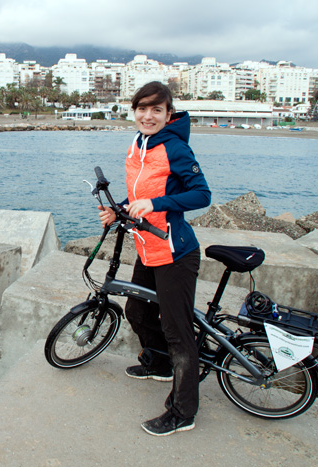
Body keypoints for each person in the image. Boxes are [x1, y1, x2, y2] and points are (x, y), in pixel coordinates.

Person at [98, 81, 211, 436]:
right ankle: (159, 363)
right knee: (137, 311)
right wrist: (118, 212)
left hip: (175, 252)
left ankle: (183, 412)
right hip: (147, 245)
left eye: (156, 110)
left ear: (168, 114)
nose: (148, 116)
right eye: (142, 108)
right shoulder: (137, 143)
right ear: (134, 111)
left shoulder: (175, 148)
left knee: (179, 333)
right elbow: (139, 195)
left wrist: (158, 205)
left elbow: (201, 194)